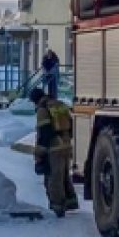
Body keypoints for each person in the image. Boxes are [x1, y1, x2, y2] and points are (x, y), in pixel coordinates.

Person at [30, 87, 79, 217]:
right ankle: (71, 201)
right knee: (64, 175)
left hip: (54, 148)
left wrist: (40, 153)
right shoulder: (59, 104)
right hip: (66, 145)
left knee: (53, 178)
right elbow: (71, 124)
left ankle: (57, 206)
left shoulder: (42, 109)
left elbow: (44, 132)